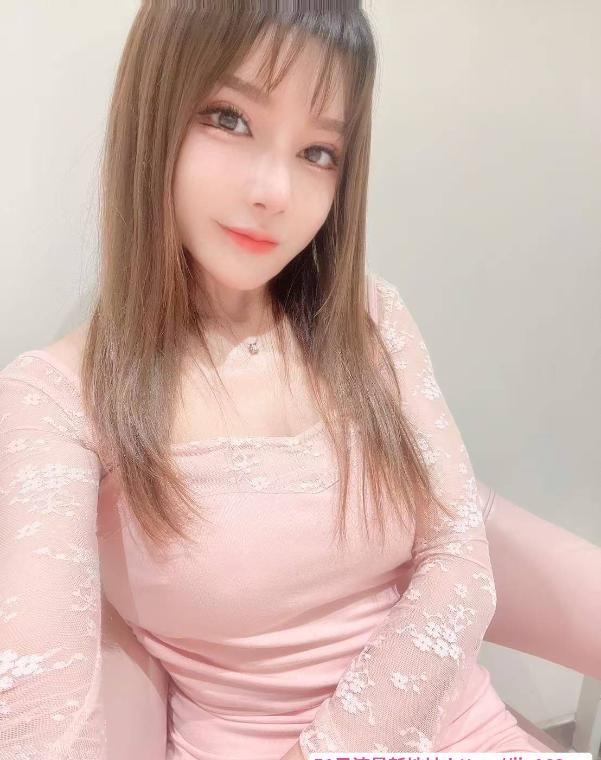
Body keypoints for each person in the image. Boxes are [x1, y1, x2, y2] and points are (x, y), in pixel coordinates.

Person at [0, 3, 555, 759]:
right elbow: (40, 717)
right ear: (155, 110)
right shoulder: (55, 400)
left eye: (318, 152)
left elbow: (459, 566)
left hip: (468, 730)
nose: (275, 192)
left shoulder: (369, 319)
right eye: (229, 119)